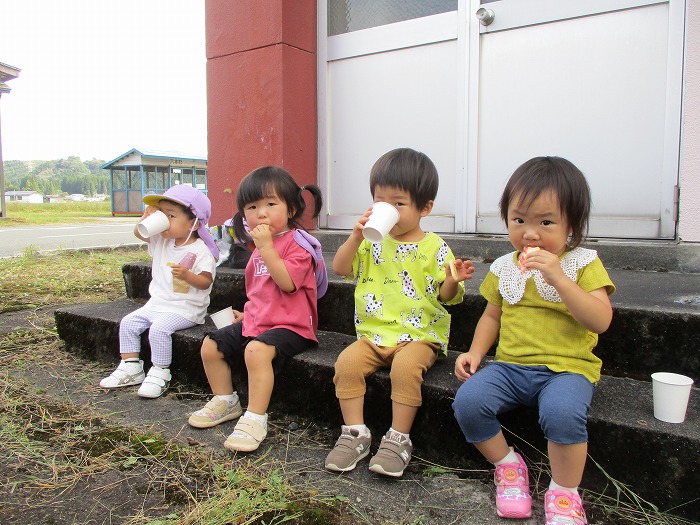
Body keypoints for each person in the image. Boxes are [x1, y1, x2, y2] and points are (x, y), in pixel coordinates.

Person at [452, 156, 615, 525]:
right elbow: (492, 315)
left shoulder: (582, 263)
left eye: (546, 222)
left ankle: (564, 492)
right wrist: (476, 353)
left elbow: (601, 319)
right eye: (519, 220)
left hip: (566, 370)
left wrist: (559, 277)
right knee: (468, 402)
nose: (530, 233)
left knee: (561, 413)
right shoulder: (505, 267)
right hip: (509, 366)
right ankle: (508, 467)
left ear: (571, 224)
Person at [324, 147, 475, 477]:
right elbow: (339, 268)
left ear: (425, 207)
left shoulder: (434, 246)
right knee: (346, 364)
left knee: (406, 369)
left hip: (419, 336)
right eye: (380, 201)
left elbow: (447, 297)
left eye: (398, 203)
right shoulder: (370, 240)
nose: (387, 210)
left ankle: (398, 438)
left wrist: (451, 280)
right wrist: (353, 237)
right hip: (373, 335)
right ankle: (354, 433)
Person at [187, 166, 324, 453]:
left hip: (293, 326)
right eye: (252, 206)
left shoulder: (299, 245)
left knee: (255, 350)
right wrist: (247, 314)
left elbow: (286, 284)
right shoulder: (259, 246)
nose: (261, 213)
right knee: (211, 344)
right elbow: (260, 292)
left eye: (270, 204)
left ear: (291, 208)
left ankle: (255, 417)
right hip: (260, 321)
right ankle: (226, 400)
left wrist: (267, 248)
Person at [100, 185, 219, 398]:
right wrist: (146, 218)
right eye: (162, 214)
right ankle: (131, 366)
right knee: (128, 322)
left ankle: (160, 371)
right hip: (157, 304)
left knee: (158, 329)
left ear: (193, 223)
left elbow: (205, 282)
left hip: (185, 309)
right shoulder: (163, 240)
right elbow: (140, 233)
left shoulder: (201, 250)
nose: (164, 220)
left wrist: (187, 276)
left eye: (171, 216)